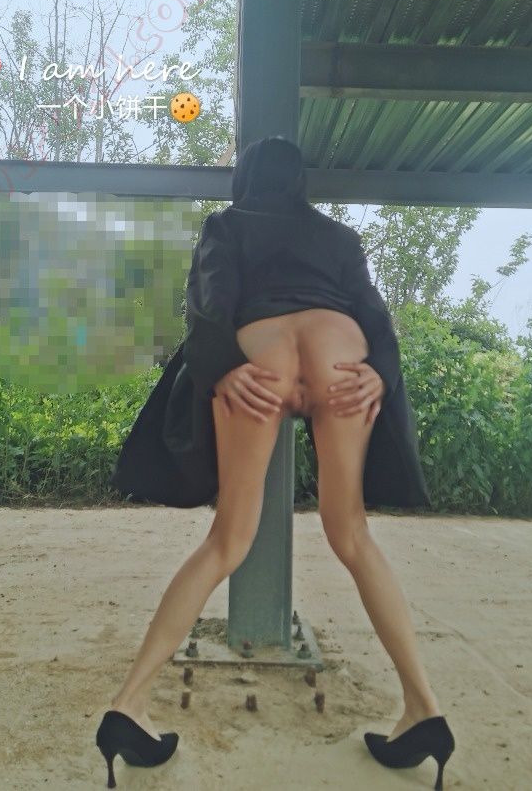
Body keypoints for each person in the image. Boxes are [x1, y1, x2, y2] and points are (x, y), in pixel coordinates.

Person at [96, 137, 455, 790]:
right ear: (299, 182)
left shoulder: (226, 225)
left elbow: (208, 301)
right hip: (340, 349)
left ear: (247, 178)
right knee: (352, 533)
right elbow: (373, 312)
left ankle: (130, 705)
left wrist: (223, 367)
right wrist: (379, 369)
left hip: (262, 355)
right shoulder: (339, 237)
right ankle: (424, 708)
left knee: (228, 540)